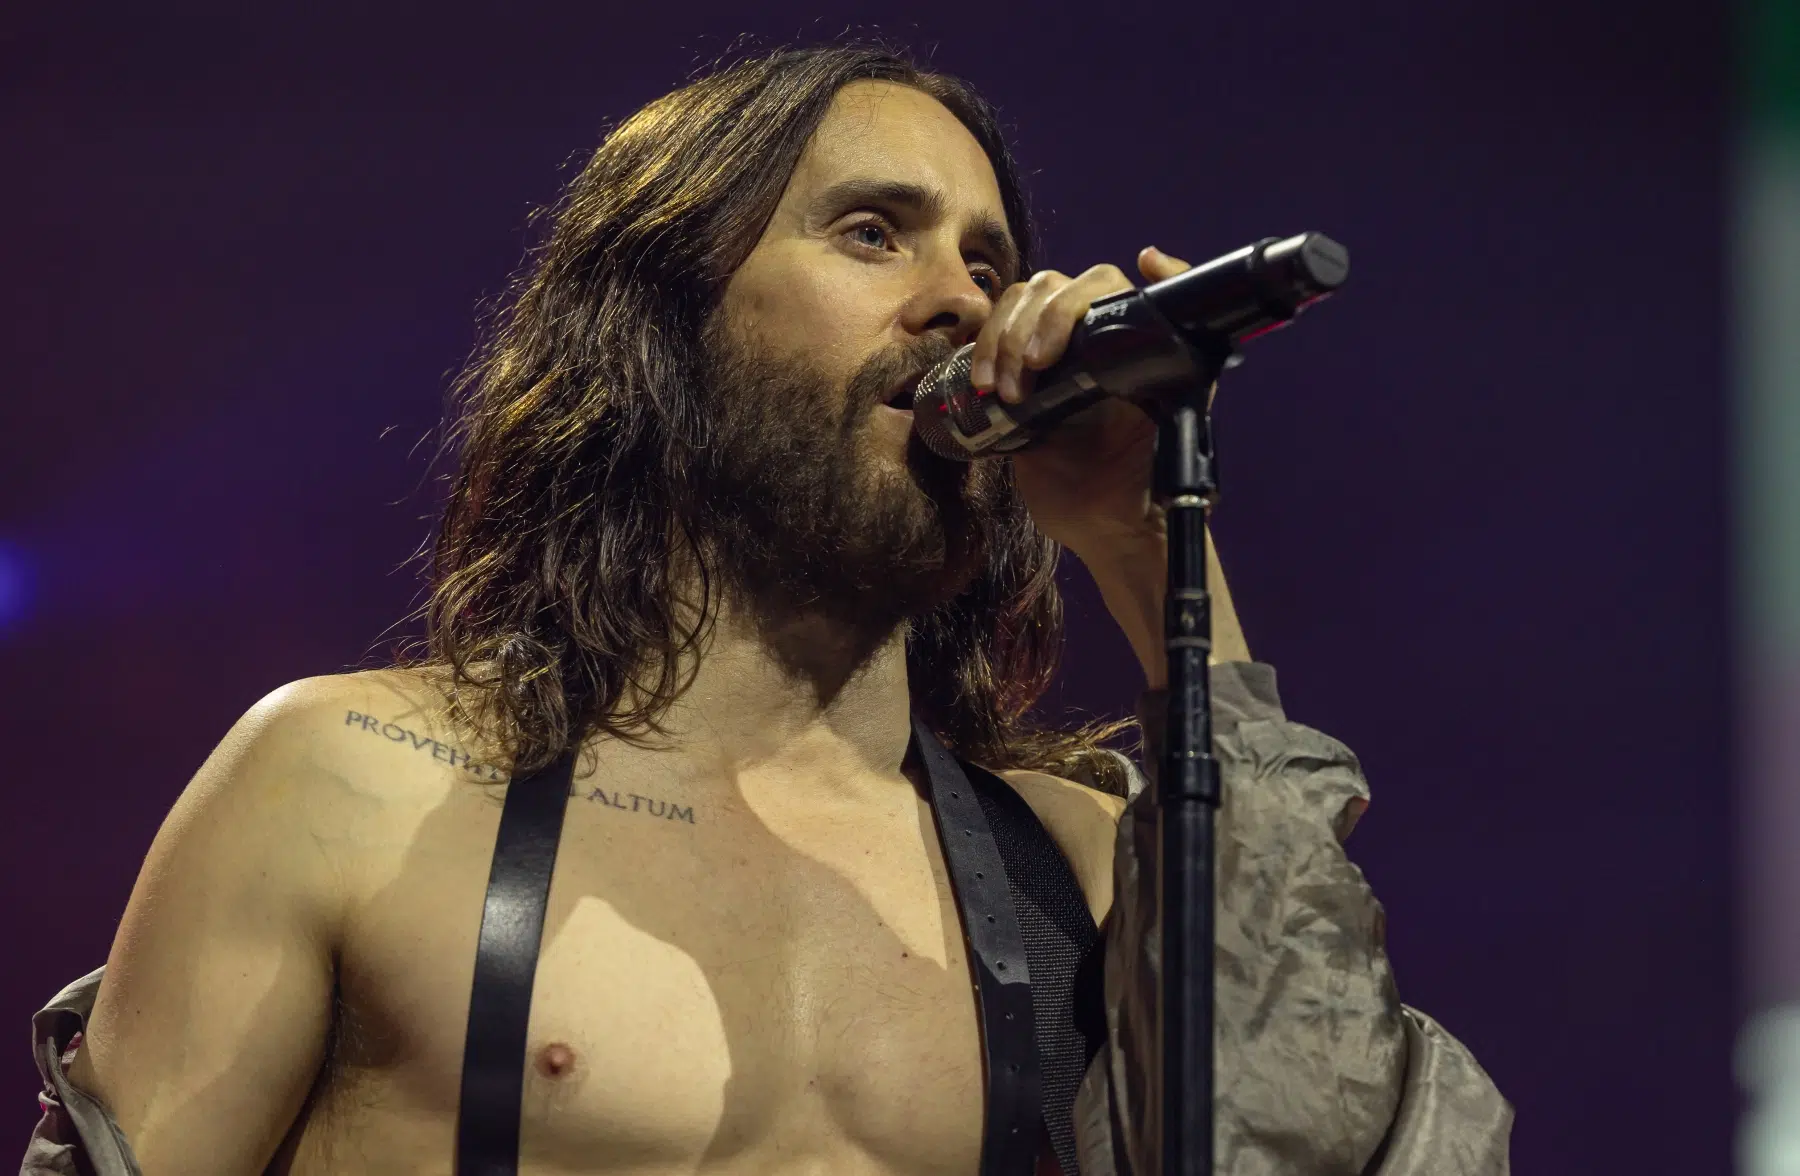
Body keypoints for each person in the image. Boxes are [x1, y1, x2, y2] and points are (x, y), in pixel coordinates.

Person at [22, 43, 1511, 1176]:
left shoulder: (1083, 864)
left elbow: (1320, 1141)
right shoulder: (356, 786)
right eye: (874, 232)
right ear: (666, 324)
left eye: (987, 260)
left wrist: (1135, 542)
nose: (964, 301)